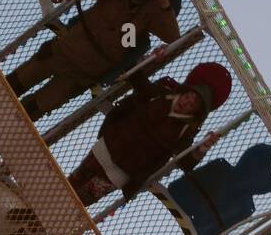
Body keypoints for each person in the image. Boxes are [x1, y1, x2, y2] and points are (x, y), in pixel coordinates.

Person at [6, 0, 182, 121]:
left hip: (82, 73)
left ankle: (4, 129)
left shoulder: (149, 16)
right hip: (64, 50)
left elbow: (173, 38)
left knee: (39, 106)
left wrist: (164, 4)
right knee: (19, 80)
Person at [66, 62, 232, 208]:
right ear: (185, 91)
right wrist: (147, 58)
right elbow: (140, 82)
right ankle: (40, 210)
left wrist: (201, 149)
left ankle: (50, 223)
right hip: (106, 147)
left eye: (192, 104)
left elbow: (185, 162)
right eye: (189, 96)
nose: (186, 102)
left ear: (196, 112)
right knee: (70, 182)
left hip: (121, 172)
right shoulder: (161, 93)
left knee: (81, 202)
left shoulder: (185, 132)